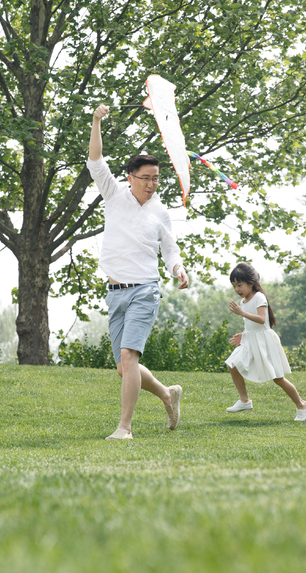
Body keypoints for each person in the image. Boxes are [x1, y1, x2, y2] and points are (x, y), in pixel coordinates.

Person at [87, 104, 189, 440]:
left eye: (156, 178)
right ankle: (166, 394)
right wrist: (96, 121)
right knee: (123, 367)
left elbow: (171, 249)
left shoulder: (161, 212)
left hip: (145, 290)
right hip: (114, 292)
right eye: (145, 178)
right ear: (130, 177)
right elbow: (95, 161)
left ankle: (124, 428)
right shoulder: (113, 194)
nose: (151, 184)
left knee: (130, 356)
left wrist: (178, 268)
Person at [224, 262, 306, 421]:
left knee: (278, 378)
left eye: (240, 285)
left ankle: (303, 405)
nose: (237, 289)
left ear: (251, 283)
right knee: (232, 364)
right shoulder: (243, 302)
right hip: (250, 341)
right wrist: (243, 334)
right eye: (234, 286)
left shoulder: (259, 297)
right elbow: (251, 325)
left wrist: (241, 313)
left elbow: (261, 319)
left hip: (264, 342)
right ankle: (244, 401)